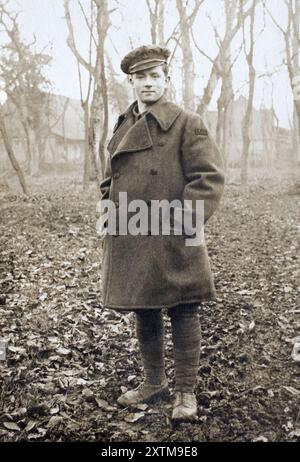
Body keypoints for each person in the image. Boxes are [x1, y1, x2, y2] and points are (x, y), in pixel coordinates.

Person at [99, 45, 225, 421]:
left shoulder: (188, 122)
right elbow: (109, 176)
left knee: (184, 308)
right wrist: (112, 211)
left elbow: (209, 179)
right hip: (133, 230)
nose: (147, 83)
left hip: (174, 232)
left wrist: (180, 222)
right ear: (132, 83)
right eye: (140, 77)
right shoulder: (124, 123)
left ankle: (185, 392)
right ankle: (154, 382)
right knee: (145, 307)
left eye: (155, 76)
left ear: (167, 80)